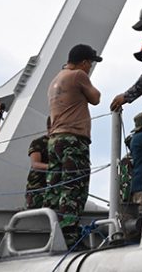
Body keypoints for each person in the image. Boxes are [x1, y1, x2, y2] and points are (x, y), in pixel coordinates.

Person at [46, 43, 102, 247]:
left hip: (55, 141)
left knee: (56, 186)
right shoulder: (78, 75)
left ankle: (51, 230)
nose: (90, 68)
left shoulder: (55, 80)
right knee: (74, 187)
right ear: (85, 62)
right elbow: (96, 98)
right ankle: (69, 236)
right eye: (90, 64)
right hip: (73, 139)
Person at [25, 117, 51, 208]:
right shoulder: (38, 142)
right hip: (37, 188)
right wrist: (53, 167)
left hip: (54, 188)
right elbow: (35, 164)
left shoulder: (61, 144)